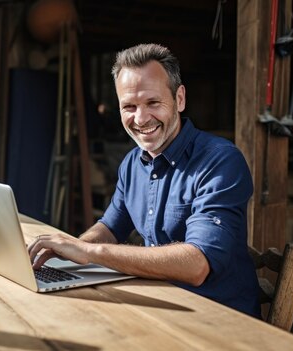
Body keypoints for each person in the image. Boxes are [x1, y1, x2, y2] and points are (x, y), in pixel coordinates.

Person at [28, 43, 261, 318]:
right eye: (129, 106)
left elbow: (197, 265)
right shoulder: (132, 163)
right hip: (160, 305)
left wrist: (90, 251)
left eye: (153, 102)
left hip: (220, 320)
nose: (140, 118)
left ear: (180, 98)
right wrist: (69, 254)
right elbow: (110, 227)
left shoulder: (220, 161)